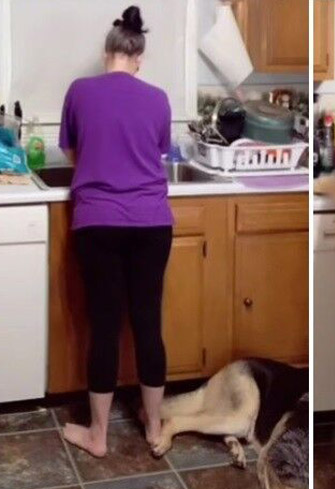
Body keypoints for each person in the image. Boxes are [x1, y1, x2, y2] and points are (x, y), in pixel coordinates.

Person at [59, 6, 173, 457]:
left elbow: (74, 154)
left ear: (107, 52)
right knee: (148, 323)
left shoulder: (79, 91)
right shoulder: (159, 98)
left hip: (98, 222)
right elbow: (157, 153)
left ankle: (98, 435)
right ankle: (154, 426)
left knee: (104, 326)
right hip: (152, 223)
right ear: (138, 58)